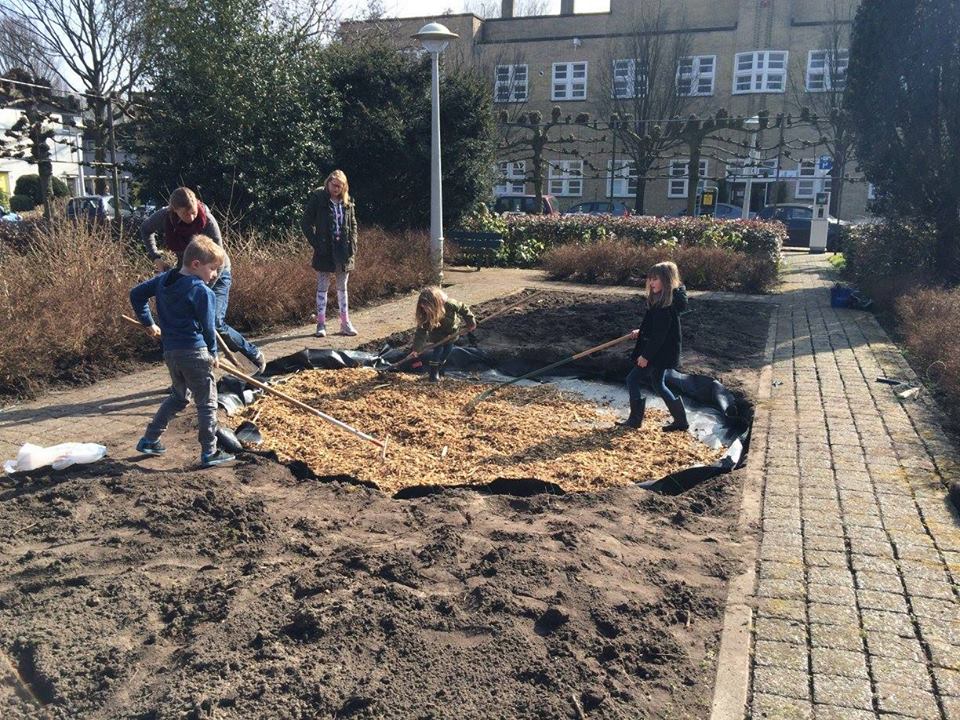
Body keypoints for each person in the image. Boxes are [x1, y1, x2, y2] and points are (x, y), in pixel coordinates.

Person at [130, 236, 235, 467]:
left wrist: (149, 322)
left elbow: (136, 294)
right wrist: (214, 353)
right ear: (196, 264)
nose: (215, 274)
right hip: (195, 353)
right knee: (207, 401)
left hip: (171, 353)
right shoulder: (202, 292)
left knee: (178, 397)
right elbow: (209, 327)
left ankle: (150, 439)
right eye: (213, 268)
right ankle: (210, 451)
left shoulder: (163, 280)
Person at [141, 187, 266, 373]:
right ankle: (190, 373)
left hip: (217, 274)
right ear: (174, 209)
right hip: (189, 274)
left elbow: (220, 260)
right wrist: (156, 256)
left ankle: (252, 352)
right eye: (185, 213)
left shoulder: (207, 221)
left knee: (214, 321)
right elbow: (145, 229)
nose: (191, 217)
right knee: (187, 324)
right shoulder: (165, 217)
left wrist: (202, 292)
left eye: (193, 212)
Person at [622, 261, 689, 432]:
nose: (651, 283)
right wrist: (641, 330)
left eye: (656, 279)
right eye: (650, 279)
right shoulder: (665, 302)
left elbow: (659, 337)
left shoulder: (664, 308)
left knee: (632, 379)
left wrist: (646, 356)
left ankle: (635, 420)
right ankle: (681, 421)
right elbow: (657, 329)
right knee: (658, 384)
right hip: (664, 352)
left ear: (667, 281)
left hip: (658, 353)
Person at [301, 169, 359, 338]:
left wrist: (353, 244)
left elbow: (353, 224)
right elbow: (305, 222)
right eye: (334, 185)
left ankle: (345, 323)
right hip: (325, 250)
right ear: (328, 183)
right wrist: (316, 243)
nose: (336, 189)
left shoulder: (348, 202)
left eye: (340, 186)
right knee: (322, 287)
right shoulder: (318, 199)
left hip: (344, 250)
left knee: (343, 288)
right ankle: (321, 323)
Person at [410, 286, 477, 383]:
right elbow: (421, 332)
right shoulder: (425, 314)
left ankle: (440, 369)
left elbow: (464, 309)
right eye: (423, 307)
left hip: (452, 333)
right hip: (437, 336)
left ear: (436, 303)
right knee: (438, 351)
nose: (425, 309)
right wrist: (416, 349)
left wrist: (470, 323)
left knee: (447, 351)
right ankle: (433, 374)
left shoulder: (450, 304)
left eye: (427, 307)